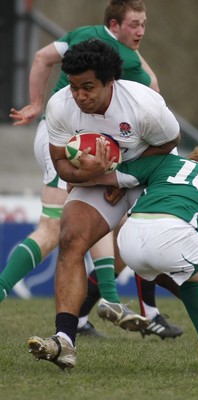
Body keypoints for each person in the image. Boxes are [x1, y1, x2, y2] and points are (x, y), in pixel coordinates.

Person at [5, 0, 183, 339]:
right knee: (64, 230)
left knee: (95, 231)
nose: (141, 31)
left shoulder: (81, 35)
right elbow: (154, 89)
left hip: (74, 140)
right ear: (114, 26)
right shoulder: (125, 63)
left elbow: (43, 57)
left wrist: (36, 103)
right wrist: (103, 174)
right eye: (134, 24)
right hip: (73, 143)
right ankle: (110, 305)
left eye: (144, 24)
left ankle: (99, 313)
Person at [89, 142, 198, 374]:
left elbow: (113, 177)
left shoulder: (168, 163)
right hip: (171, 234)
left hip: (129, 237)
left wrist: (75, 178)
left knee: (190, 273)